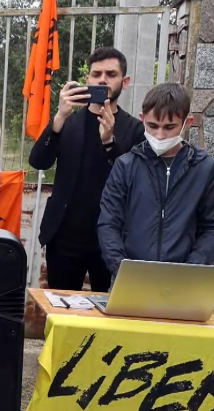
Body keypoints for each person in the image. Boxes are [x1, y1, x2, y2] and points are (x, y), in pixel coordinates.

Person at [29, 47, 145, 292]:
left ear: (124, 82)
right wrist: (58, 118)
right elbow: (39, 161)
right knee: (61, 310)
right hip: (65, 236)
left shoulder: (135, 129)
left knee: (110, 316)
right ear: (87, 81)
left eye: (111, 74)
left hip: (112, 239)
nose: (102, 79)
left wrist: (109, 141)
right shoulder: (67, 121)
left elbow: (134, 180)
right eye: (96, 74)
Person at [98, 83, 214, 278]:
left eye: (169, 127)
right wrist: (121, 268)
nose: (159, 135)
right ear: (142, 120)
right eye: (152, 126)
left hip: (184, 281)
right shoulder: (125, 166)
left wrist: (193, 267)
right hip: (130, 278)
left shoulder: (205, 169)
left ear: (187, 122)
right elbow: (108, 223)